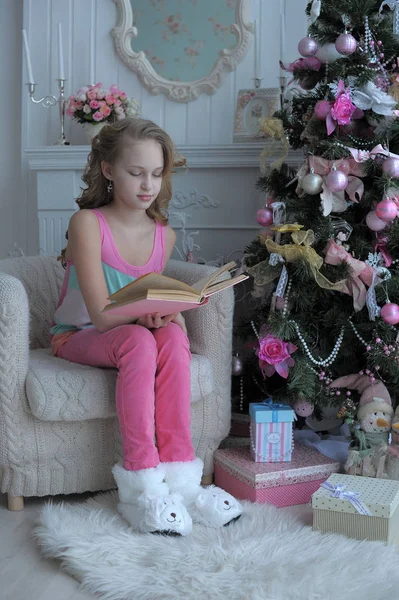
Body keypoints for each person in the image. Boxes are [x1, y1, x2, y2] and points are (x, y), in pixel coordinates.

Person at [50, 117, 242, 535]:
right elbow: (101, 315)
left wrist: (169, 312)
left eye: (156, 174)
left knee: (172, 336)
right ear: (108, 170)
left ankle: (183, 484)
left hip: (127, 332)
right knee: (139, 339)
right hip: (78, 335)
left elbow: (146, 296)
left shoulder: (163, 235)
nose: (147, 185)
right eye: (136, 173)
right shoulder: (87, 224)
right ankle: (140, 488)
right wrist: (145, 316)